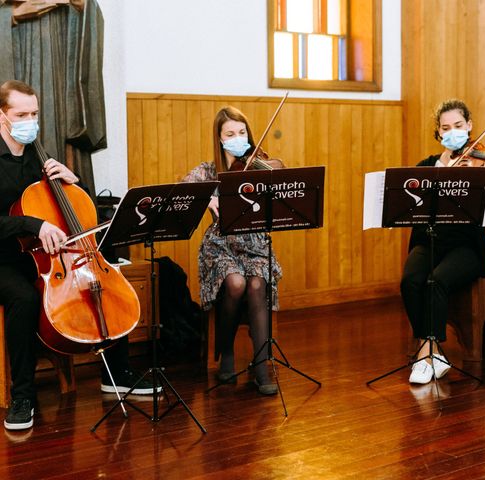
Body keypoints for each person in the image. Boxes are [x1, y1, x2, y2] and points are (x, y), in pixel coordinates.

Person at [0, 80, 156, 431]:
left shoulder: (43, 162)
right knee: (23, 298)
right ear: (2, 116)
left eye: (35, 114)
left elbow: (78, 213)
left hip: (49, 260)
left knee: (104, 274)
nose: (30, 121)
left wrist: (75, 181)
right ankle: (23, 395)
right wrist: (32, 224)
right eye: (21, 114)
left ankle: (116, 373)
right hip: (6, 259)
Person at [182, 106, 283, 396]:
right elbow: (181, 193)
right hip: (220, 244)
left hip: (255, 244)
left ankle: (261, 365)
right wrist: (203, 201)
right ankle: (225, 351)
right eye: (230, 134)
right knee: (235, 282)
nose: (237, 138)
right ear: (219, 138)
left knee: (255, 283)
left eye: (242, 133)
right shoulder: (208, 171)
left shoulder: (258, 166)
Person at [400, 99, 485, 385]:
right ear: (438, 132)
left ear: (469, 126)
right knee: (410, 279)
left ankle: (425, 354)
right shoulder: (426, 167)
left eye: (458, 126)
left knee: (436, 280)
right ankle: (432, 351)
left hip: (467, 246)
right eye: (446, 128)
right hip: (429, 241)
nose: (452, 132)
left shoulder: (480, 163)